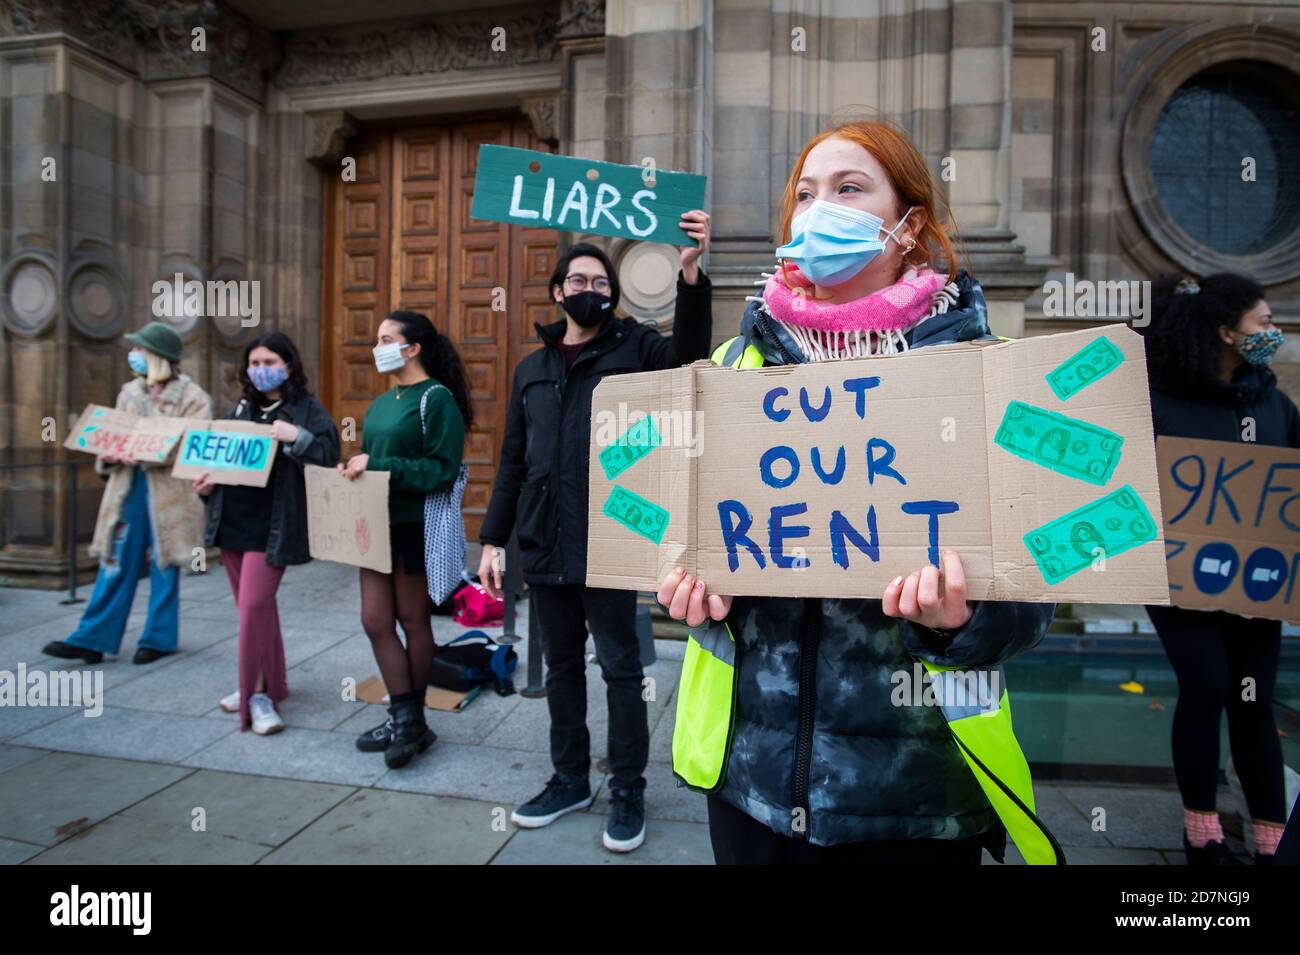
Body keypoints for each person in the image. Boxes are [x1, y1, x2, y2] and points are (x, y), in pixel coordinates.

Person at [657, 121, 1056, 865]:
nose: (817, 210)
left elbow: (1036, 602)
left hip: (913, 808)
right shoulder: (730, 370)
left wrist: (960, 619)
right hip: (751, 789)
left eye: (848, 189)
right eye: (805, 194)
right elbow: (681, 542)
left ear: (908, 225)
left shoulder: (988, 377)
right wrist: (683, 588)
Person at [476, 212, 713, 853]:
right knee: (559, 668)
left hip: (610, 539)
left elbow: (691, 360)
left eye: (601, 281)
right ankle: (570, 779)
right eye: (578, 279)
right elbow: (513, 461)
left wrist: (690, 274)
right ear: (558, 291)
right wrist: (493, 540)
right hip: (544, 543)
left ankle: (629, 788)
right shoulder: (531, 369)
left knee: (620, 666)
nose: (591, 289)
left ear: (614, 293)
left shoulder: (636, 348)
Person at [1137, 273, 1295, 865]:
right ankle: (1200, 831)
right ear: (1227, 332)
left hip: (1258, 584)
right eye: (1264, 323)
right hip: (1180, 581)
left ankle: (1270, 835)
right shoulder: (1159, 406)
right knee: (1206, 685)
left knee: (1252, 699)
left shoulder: (1277, 406)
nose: (1273, 332)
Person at [340, 311, 471, 769]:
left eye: (385, 339)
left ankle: (410, 721)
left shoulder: (437, 400)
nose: (377, 347)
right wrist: (358, 464)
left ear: (412, 347)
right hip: (374, 522)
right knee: (375, 620)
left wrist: (377, 466)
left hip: (414, 524)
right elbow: (378, 457)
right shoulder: (383, 401)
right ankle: (405, 716)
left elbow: (441, 470)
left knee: (413, 619)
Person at [194, 332, 340, 736]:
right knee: (255, 610)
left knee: (253, 608)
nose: (260, 370)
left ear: (288, 365)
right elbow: (219, 461)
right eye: (254, 363)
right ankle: (268, 684)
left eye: (268, 362)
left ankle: (256, 694)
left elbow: (329, 454)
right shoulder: (239, 409)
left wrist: (298, 439)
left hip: (273, 528)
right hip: (232, 524)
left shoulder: (306, 410)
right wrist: (207, 486)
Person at [42, 321, 212, 665]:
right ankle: (92, 638)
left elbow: (192, 444)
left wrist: (144, 451)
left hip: (170, 494)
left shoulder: (194, 398)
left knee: (166, 563)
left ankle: (159, 638)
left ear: (157, 357)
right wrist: (108, 455)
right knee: (115, 560)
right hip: (128, 488)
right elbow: (115, 431)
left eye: (140, 350)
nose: (133, 355)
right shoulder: (129, 393)